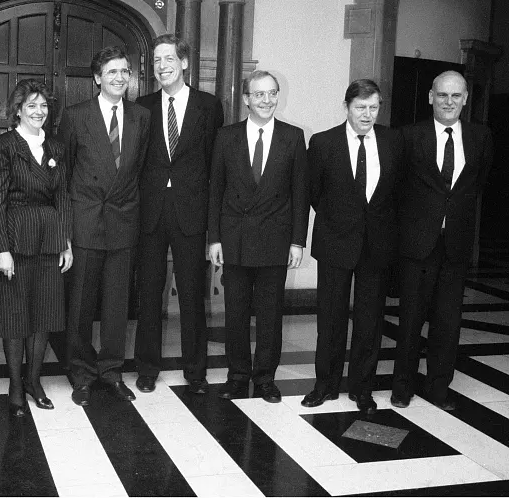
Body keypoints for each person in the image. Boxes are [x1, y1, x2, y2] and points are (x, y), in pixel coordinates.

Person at [392, 70, 493, 411]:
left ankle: (438, 387)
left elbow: (477, 185)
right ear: (431, 97)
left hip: (456, 245)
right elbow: (396, 188)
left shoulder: (482, 137)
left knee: (448, 321)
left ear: (465, 99)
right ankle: (402, 386)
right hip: (417, 244)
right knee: (410, 318)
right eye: (443, 95)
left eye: (456, 96)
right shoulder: (408, 136)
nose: (449, 102)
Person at [208, 70, 309, 403]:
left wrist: (297, 241)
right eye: (260, 94)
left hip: (275, 241)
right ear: (246, 99)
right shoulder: (226, 137)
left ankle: (265, 378)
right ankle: (237, 376)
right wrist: (214, 239)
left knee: (270, 315)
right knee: (235, 313)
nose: (267, 100)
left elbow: (300, 194)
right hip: (234, 239)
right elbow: (216, 191)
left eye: (272, 93)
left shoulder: (293, 137)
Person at [303, 79, 403, 414]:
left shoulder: (392, 140)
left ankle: (362, 388)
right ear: (346, 106)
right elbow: (313, 193)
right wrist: (340, 219)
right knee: (329, 318)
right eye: (361, 107)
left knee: (369, 320)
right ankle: (325, 385)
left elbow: (396, 193)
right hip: (335, 242)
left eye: (374, 107)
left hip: (377, 246)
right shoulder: (323, 142)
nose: (367, 114)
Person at [61, 45, 150, 406]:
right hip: (85, 222)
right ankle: (80, 374)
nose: (119, 78)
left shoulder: (141, 116)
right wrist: (65, 229)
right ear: (97, 77)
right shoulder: (75, 115)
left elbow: (139, 169)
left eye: (125, 72)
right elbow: (64, 173)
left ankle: (112, 372)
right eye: (111, 71)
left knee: (117, 304)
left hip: (123, 221)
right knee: (80, 304)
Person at [134, 35, 223, 395]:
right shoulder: (142, 106)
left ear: (185, 63)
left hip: (191, 212)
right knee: (149, 295)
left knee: (191, 295)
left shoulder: (208, 105)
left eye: (169, 58)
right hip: (151, 213)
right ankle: (146, 368)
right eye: (156, 60)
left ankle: (195, 369)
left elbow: (215, 166)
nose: (162, 66)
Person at [0, 80, 73, 416]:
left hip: (50, 238)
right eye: (32, 106)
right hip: (17, 237)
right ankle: (14, 385)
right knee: (16, 315)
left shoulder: (56, 147)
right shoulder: (4, 146)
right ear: (18, 109)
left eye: (44, 107)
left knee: (44, 314)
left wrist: (66, 241)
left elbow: (63, 195)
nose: (39, 112)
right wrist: (1, 247)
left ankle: (34, 380)